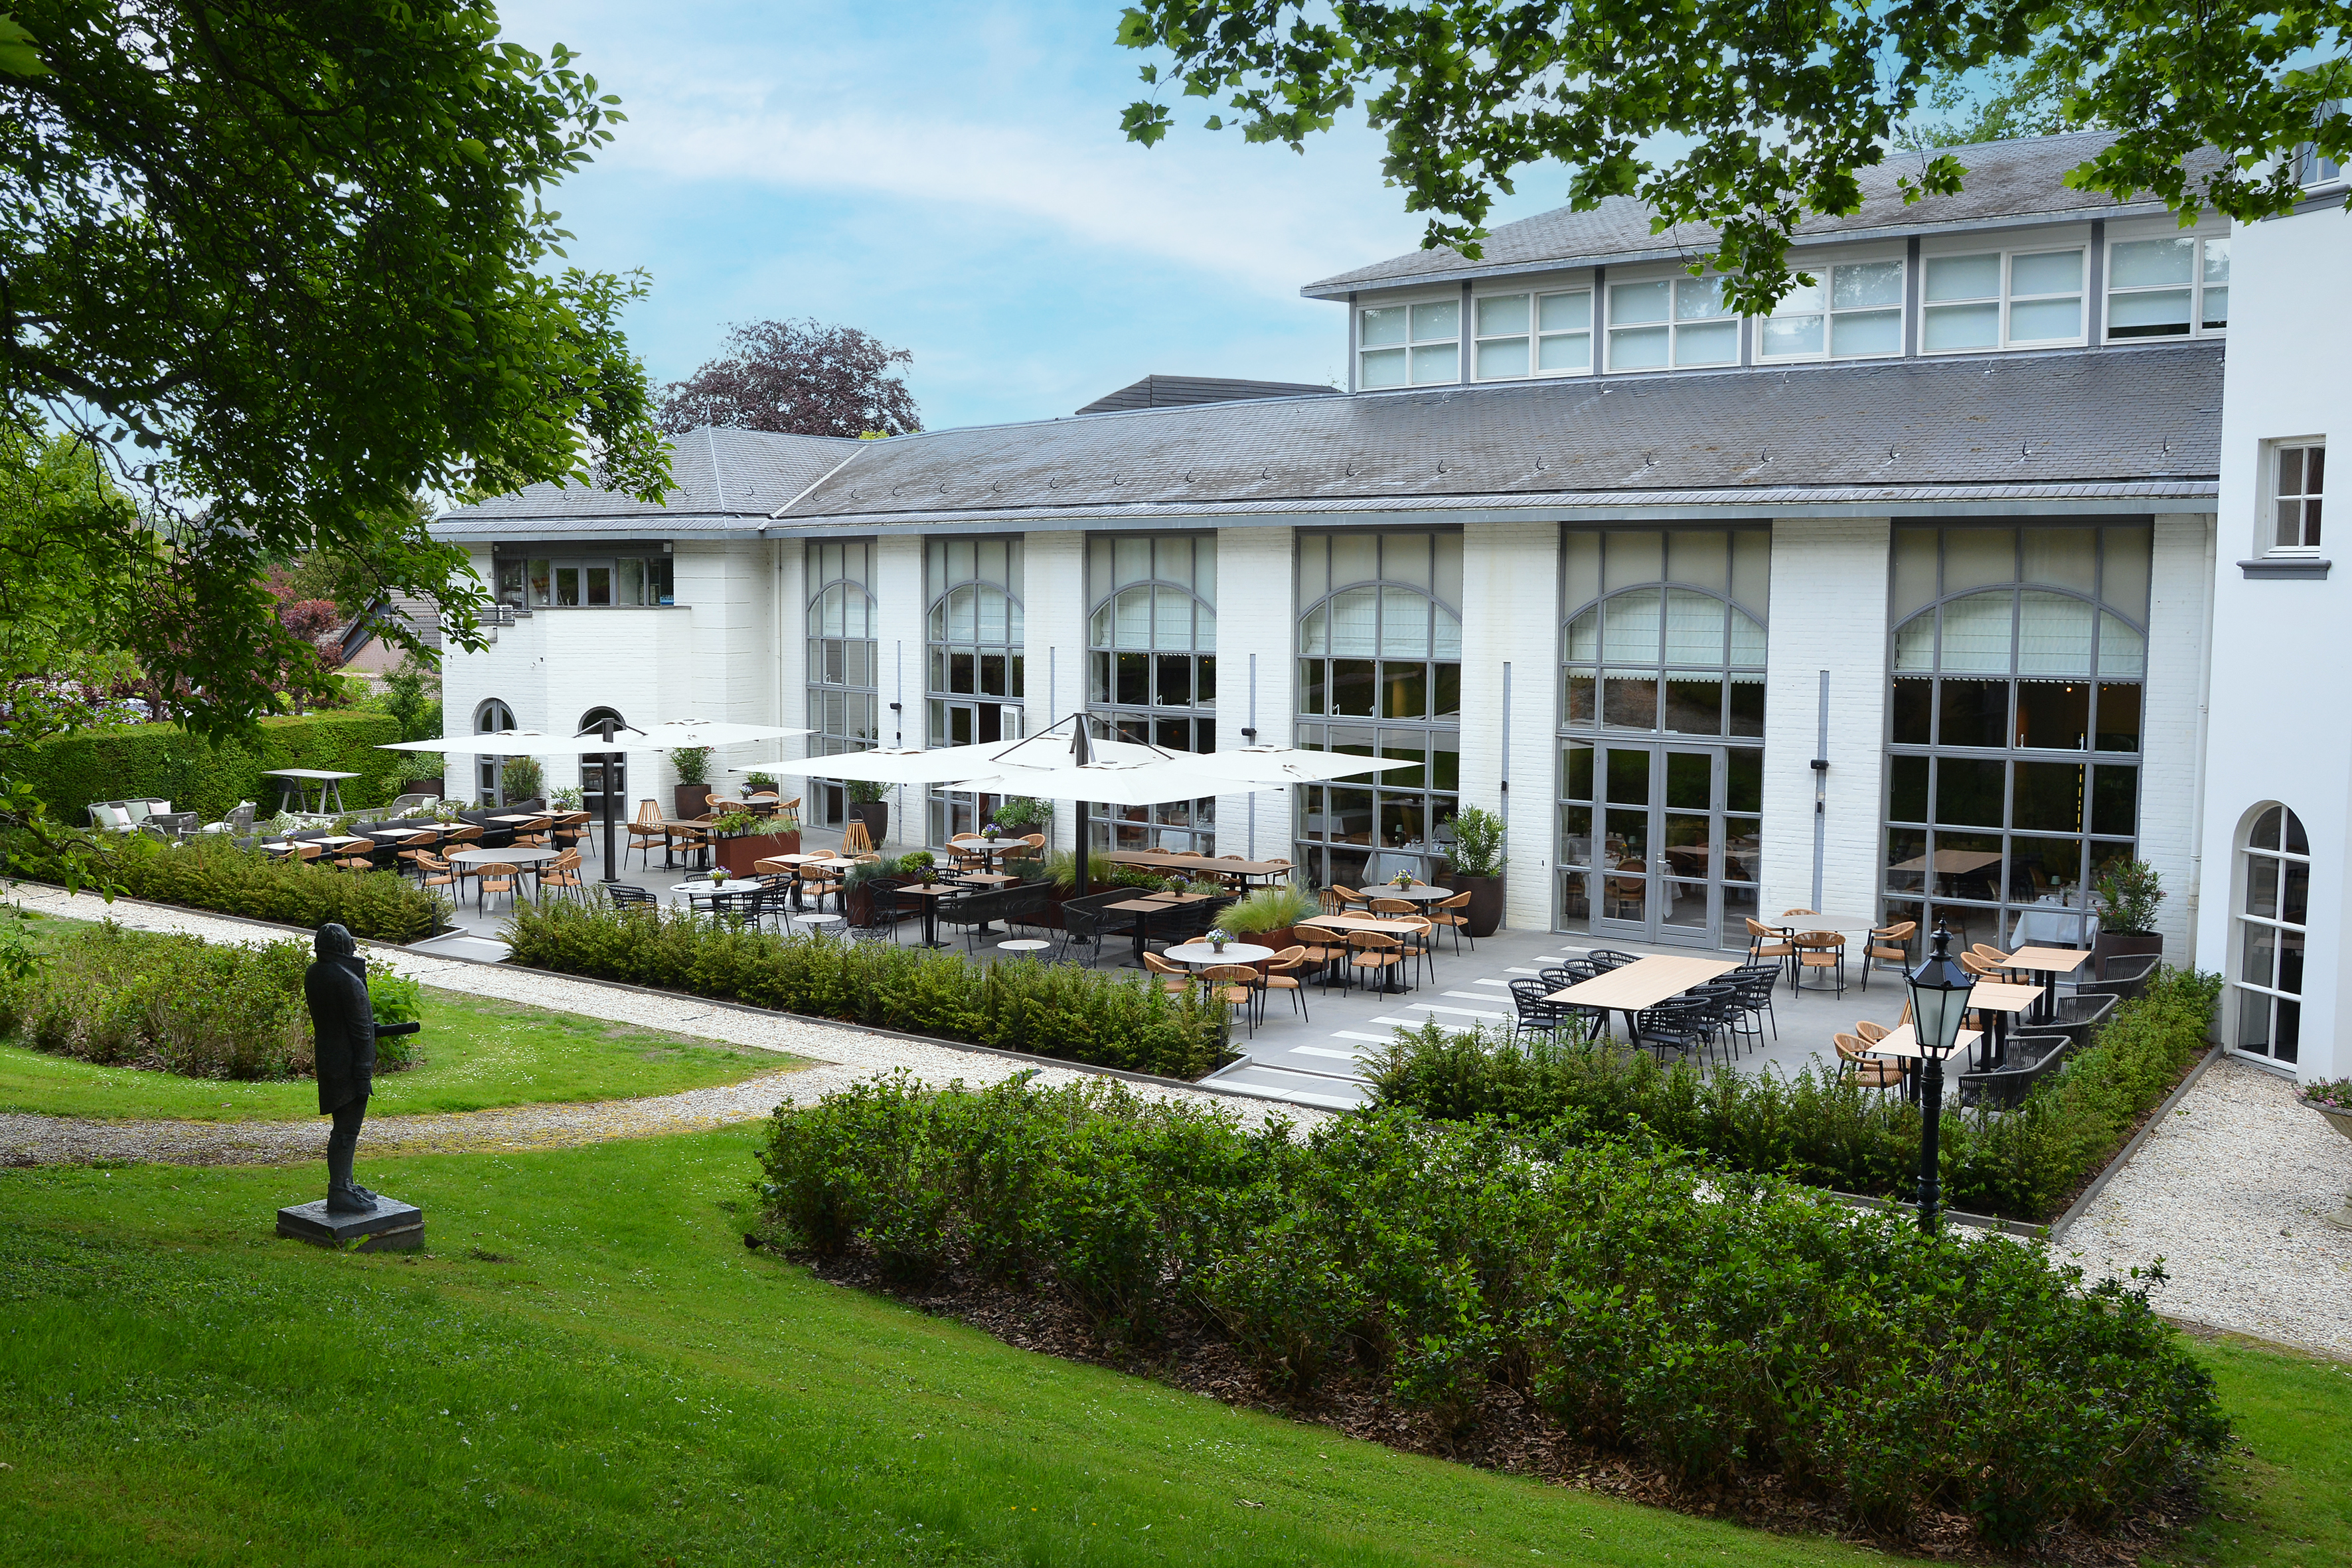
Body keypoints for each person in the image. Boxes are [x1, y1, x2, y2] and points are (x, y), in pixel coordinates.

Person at [305, 923, 384, 1213]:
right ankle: (339, 1189)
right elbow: (361, 1032)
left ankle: (346, 1182)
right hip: (349, 1064)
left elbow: (335, 1020)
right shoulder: (348, 980)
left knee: (343, 1127)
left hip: (329, 1058)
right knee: (347, 1130)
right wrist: (365, 1071)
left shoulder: (315, 974)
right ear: (343, 947)